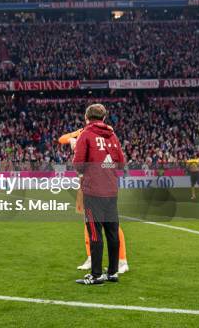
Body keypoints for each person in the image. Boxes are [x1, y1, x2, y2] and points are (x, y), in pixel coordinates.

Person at [58, 129, 129, 274]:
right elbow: (62, 139)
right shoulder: (85, 132)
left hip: (100, 183)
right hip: (86, 182)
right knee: (88, 221)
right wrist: (72, 139)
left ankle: (122, 261)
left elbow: (113, 162)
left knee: (110, 225)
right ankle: (92, 258)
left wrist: (77, 146)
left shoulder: (106, 134)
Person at [73, 104, 125, 285]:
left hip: (93, 190)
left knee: (95, 232)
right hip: (111, 190)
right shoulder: (112, 135)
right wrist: (106, 166)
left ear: (87, 117)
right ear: (103, 118)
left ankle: (96, 275)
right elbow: (120, 164)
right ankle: (113, 272)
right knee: (112, 232)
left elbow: (78, 164)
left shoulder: (86, 135)